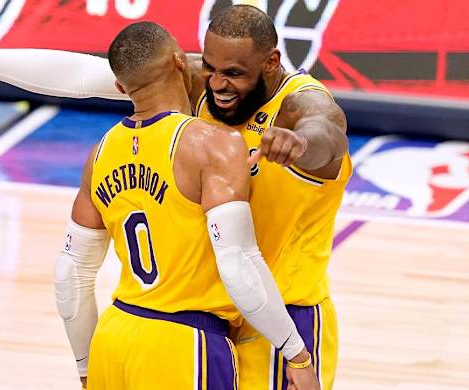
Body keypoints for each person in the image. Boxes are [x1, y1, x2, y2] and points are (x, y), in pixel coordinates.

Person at [0, 6, 350, 389]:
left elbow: (326, 131)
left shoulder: (300, 104)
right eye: (209, 68)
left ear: (271, 62)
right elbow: (81, 74)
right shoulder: (204, 84)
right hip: (213, 319)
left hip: (285, 315)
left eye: (233, 73)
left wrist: (301, 144)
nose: (217, 84)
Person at [49, 21, 316, 390]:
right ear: (180, 63)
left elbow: (70, 273)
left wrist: (84, 365)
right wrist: (296, 353)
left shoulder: (101, 153)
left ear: (120, 87)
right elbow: (239, 262)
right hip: (185, 342)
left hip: (114, 338)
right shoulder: (213, 144)